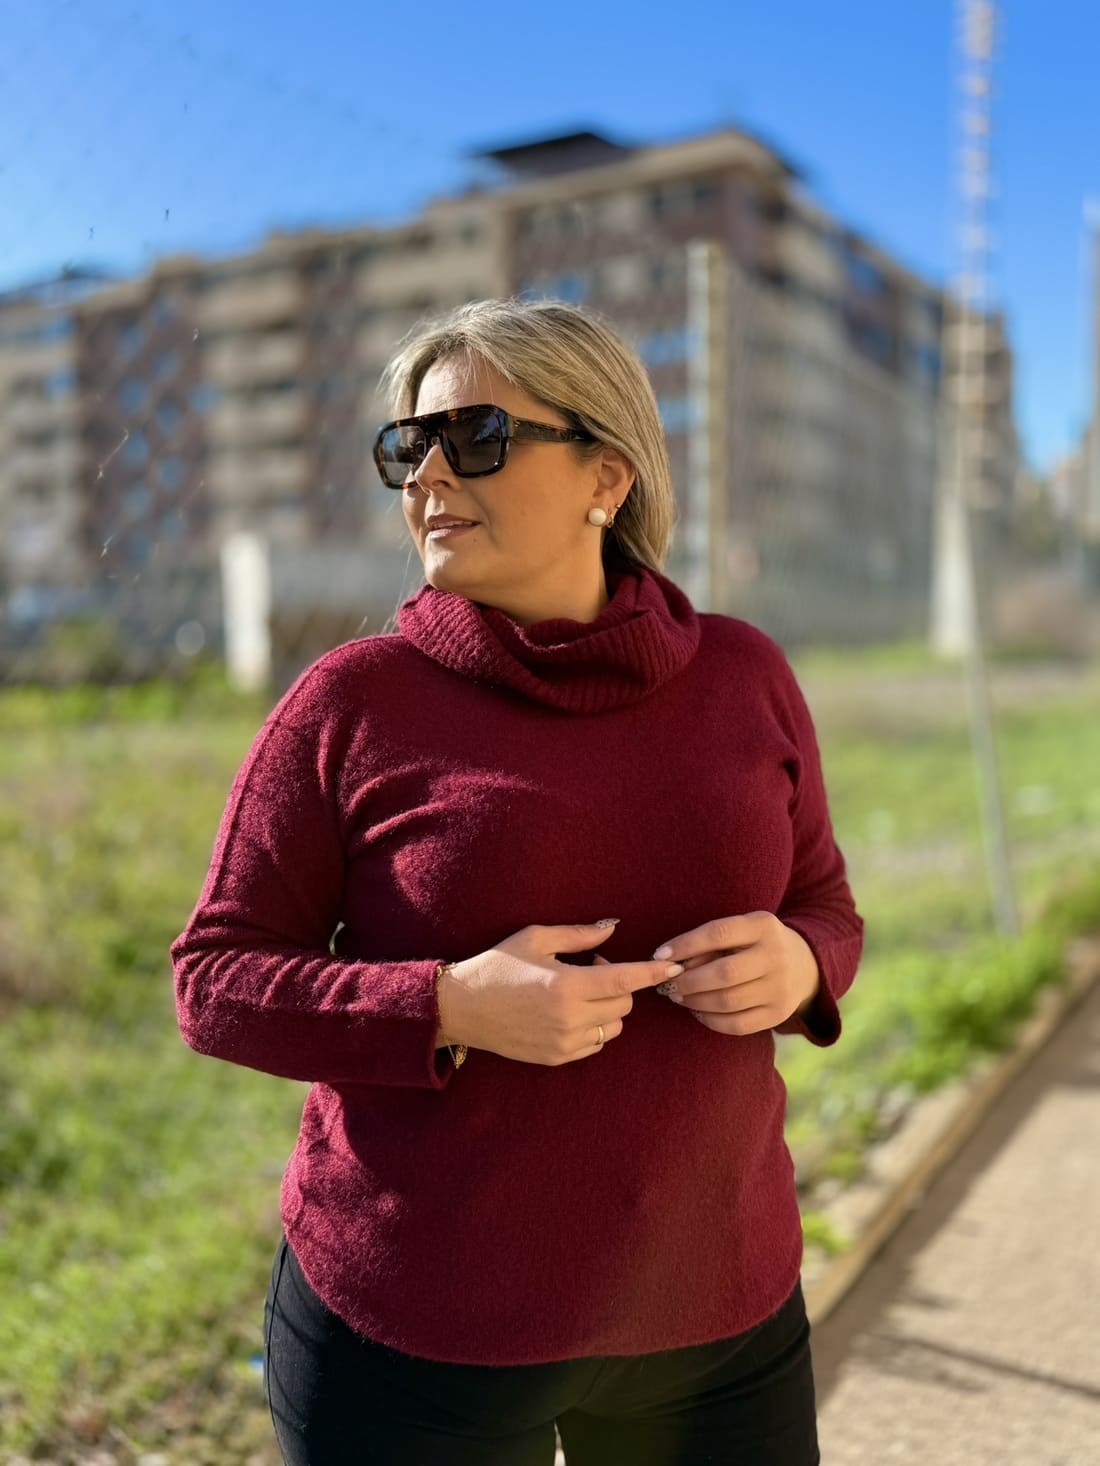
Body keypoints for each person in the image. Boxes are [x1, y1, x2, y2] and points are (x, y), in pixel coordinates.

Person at [169, 297, 864, 1465]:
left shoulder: (744, 674)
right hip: (413, 1340)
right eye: (407, 446)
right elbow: (212, 979)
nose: (429, 476)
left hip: (717, 1323)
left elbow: (825, 906)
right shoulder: (350, 701)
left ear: (607, 475)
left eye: (475, 437)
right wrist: (446, 1003)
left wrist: (798, 965)